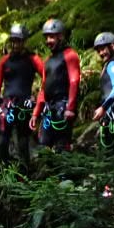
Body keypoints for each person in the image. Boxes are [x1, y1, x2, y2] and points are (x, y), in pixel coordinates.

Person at [0, 24, 45, 168]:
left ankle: (24, 172)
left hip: (24, 106)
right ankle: (3, 171)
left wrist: (40, 98)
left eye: (19, 41)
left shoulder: (33, 59)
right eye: (13, 41)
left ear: (24, 41)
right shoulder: (5, 61)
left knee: (23, 141)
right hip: (7, 105)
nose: (15, 45)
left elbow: (46, 77)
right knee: (2, 140)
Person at [30, 18, 81, 151]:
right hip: (49, 109)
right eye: (47, 37)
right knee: (43, 146)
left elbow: (74, 81)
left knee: (61, 146)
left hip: (63, 107)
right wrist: (36, 114)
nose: (48, 41)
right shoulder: (47, 60)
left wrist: (70, 108)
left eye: (51, 37)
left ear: (61, 36)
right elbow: (43, 88)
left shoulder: (70, 55)